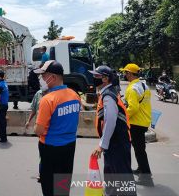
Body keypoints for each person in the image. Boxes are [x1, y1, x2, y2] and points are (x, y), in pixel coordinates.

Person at [34, 60, 81, 196]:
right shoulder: (74, 95)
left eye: (43, 75)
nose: (41, 79)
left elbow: (39, 130)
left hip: (50, 148)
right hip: (70, 145)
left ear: (53, 77)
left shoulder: (48, 99)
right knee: (62, 186)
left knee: (49, 187)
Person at [89, 66, 136, 195]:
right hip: (114, 142)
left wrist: (102, 145)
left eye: (96, 76)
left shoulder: (108, 96)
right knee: (111, 174)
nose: (94, 79)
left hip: (117, 142)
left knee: (122, 177)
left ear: (105, 78)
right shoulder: (108, 92)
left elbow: (110, 121)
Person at [120, 63, 153, 186]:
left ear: (129, 73)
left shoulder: (132, 88)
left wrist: (123, 116)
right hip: (144, 121)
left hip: (136, 122)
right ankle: (141, 169)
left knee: (139, 151)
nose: (124, 74)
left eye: (125, 72)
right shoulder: (144, 85)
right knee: (140, 149)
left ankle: (146, 178)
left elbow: (132, 108)